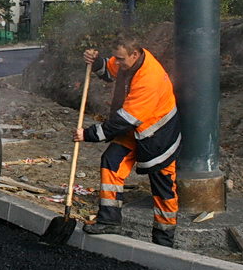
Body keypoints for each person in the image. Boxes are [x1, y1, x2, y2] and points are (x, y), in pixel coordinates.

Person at [74, 35, 181, 247]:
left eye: (121, 59)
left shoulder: (149, 78)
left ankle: (164, 242)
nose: (118, 63)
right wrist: (95, 62)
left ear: (135, 54)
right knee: (112, 161)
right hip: (135, 130)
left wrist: (88, 134)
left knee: (163, 190)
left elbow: (125, 120)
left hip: (159, 136)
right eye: (116, 57)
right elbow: (108, 70)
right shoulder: (128, 62)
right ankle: (109, 220)